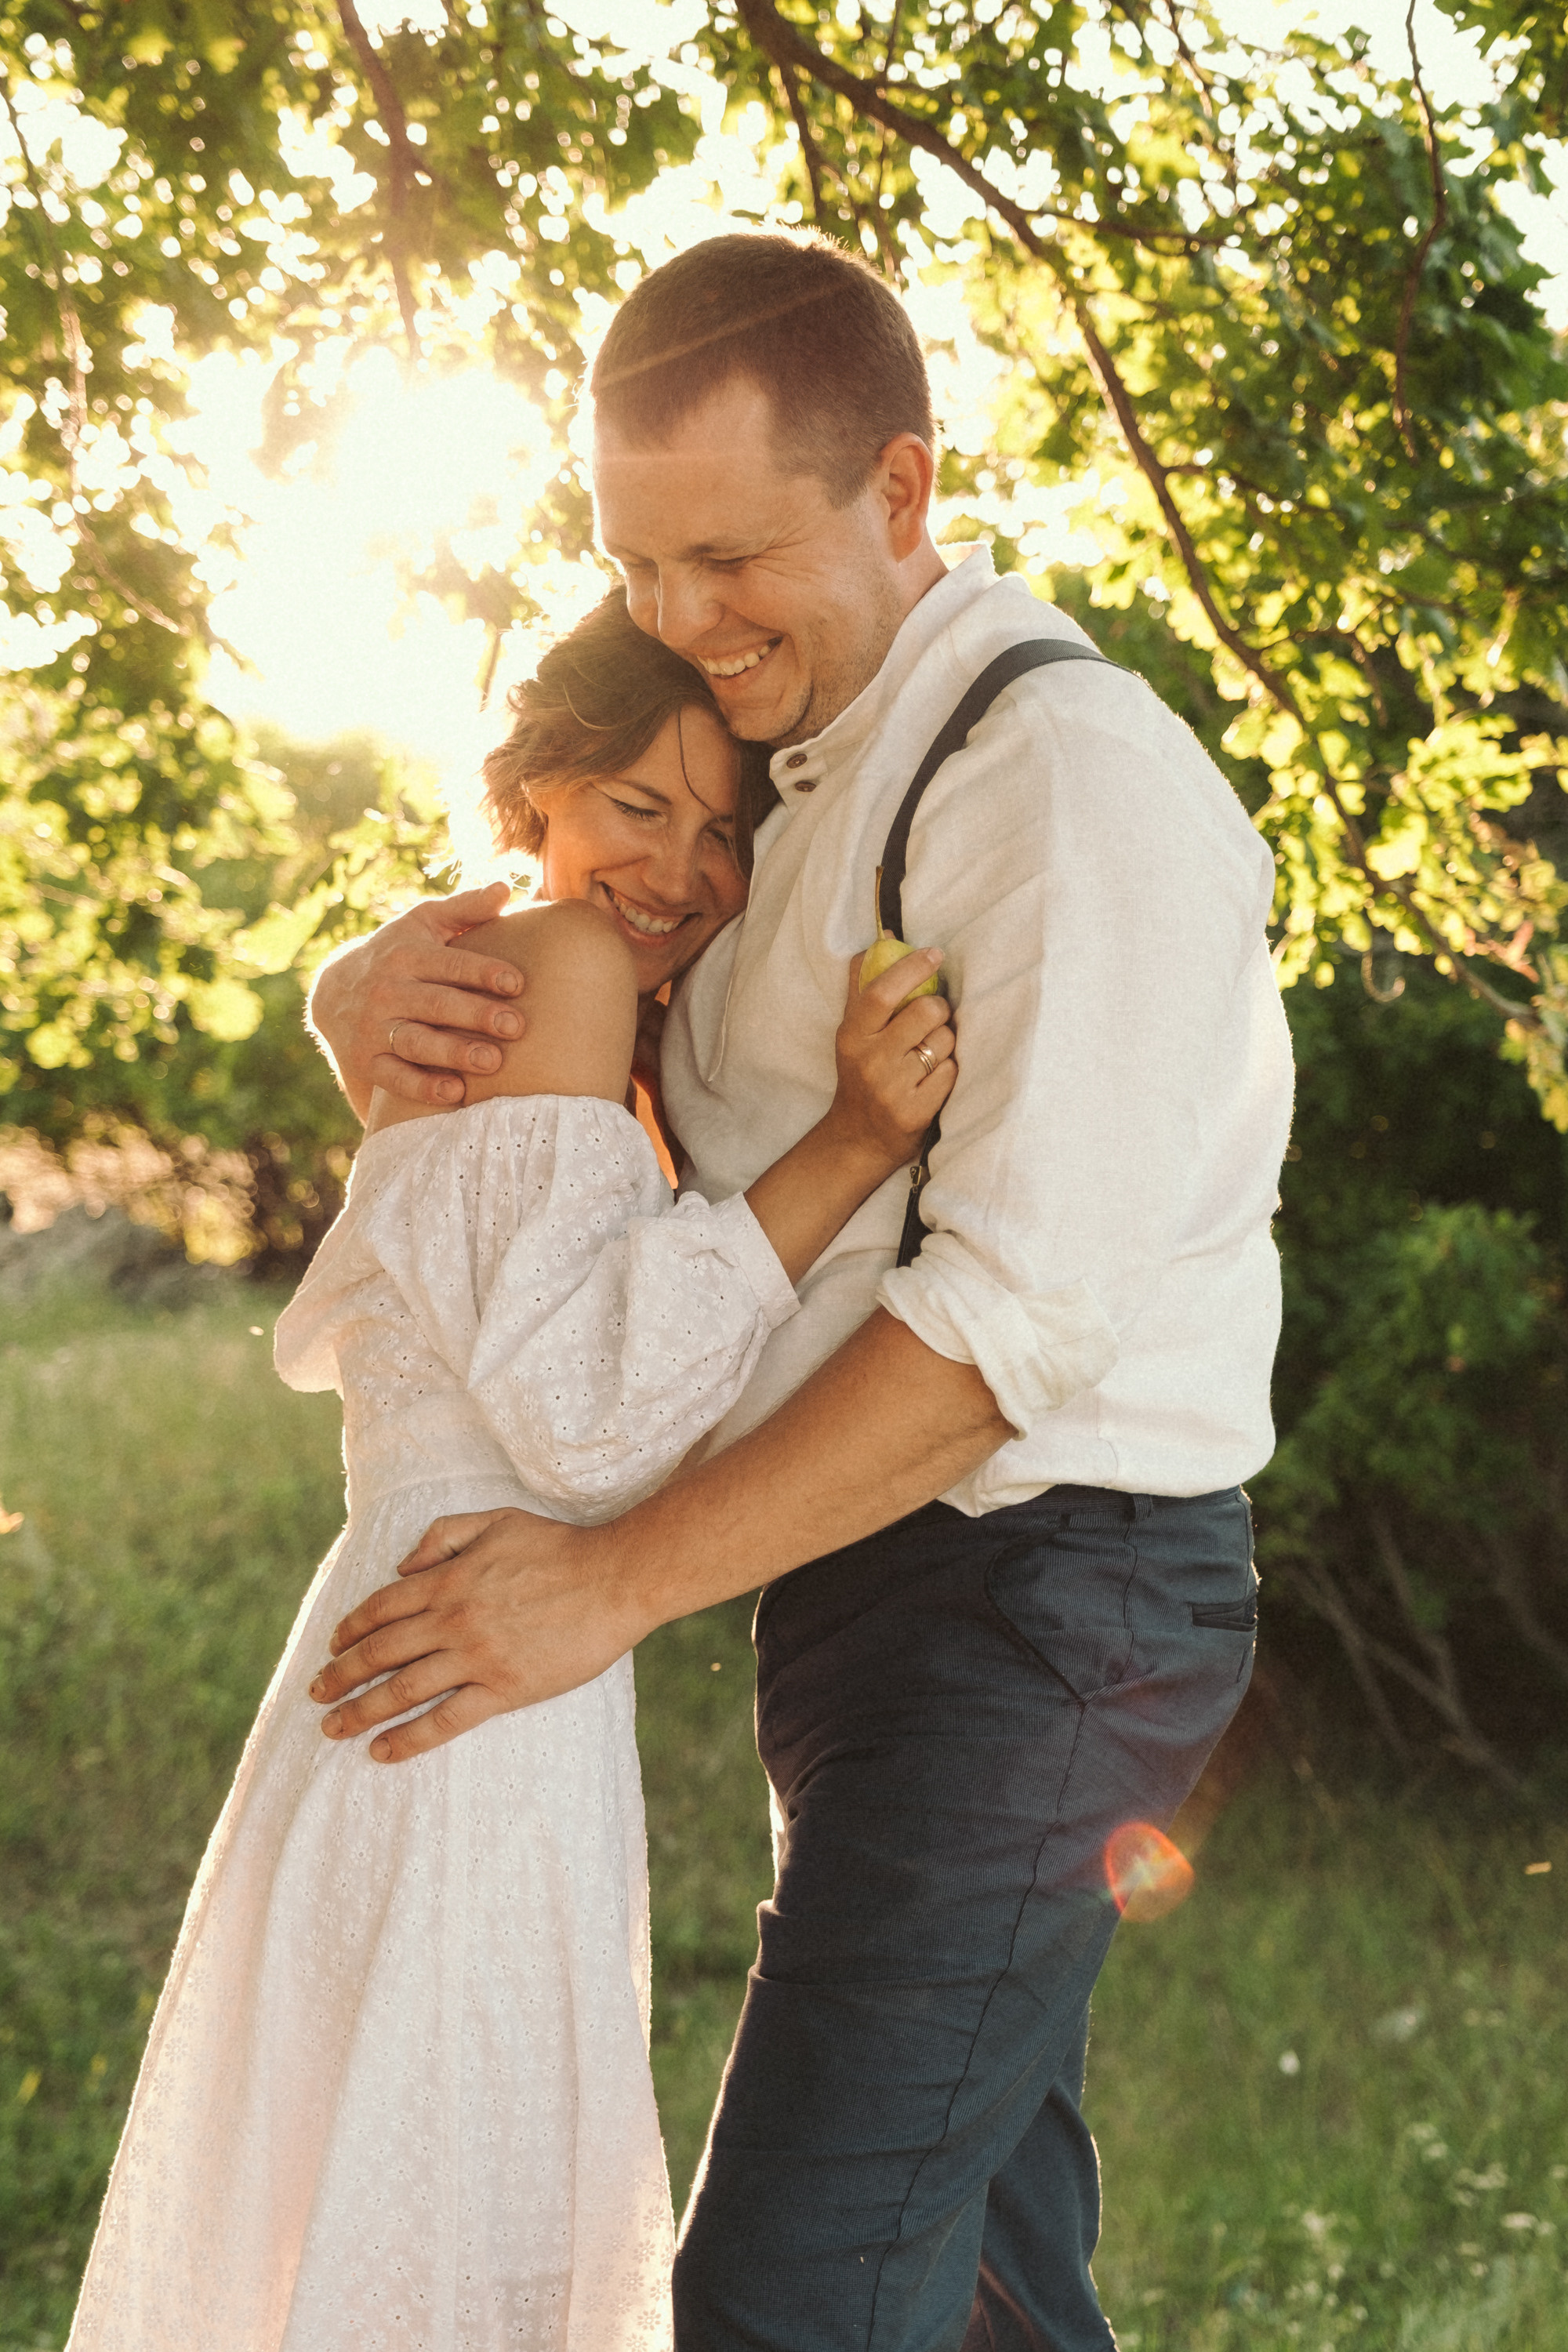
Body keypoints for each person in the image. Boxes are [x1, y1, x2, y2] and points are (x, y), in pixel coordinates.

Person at [307, 233, 1296, 2348]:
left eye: (729, 557)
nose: (679, 616)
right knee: (972, 2287)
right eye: (638, 562)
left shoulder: (1057, 777)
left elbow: (1009, 1337)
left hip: (1044, 1593)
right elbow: (575, 1153)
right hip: (872, 1602)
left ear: (902, 487)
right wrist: (361, 990)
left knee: (787, 2299)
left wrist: (605, 1587)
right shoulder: (782, 784)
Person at [64, 595, 955, 2352]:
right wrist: (855, 1143)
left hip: (452, 1659)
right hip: (463, 1682)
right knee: (451, 2240)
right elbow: (588, 1419)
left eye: (723, 832)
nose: (680, 871)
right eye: (636, 805)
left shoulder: (588, 1018)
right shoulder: (564, 968)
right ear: (537, 787)